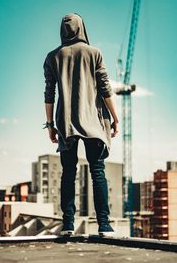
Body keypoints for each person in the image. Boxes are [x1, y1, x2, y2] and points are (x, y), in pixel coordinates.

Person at [43, 13, 119, 237]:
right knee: (98, 172)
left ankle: (67, 225)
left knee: (68, 173)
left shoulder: (52, 57)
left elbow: (49, 93)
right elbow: (105, 89)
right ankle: (104, 225)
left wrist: (49, 124)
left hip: (65, 123)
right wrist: (115, 118)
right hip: (93, 122)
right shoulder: (94, 53)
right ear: (82, 28)